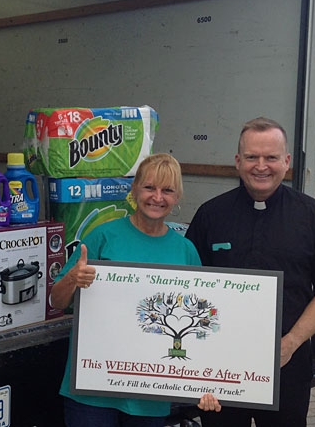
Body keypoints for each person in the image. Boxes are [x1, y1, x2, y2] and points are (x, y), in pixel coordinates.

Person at [185, 117, 315, 427]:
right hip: (220, 364)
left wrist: (290, 343)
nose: (261, 166)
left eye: (271, 157)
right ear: (238, 162)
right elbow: (187, 288)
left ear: (286, 161)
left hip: (287, 364)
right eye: (252, 157)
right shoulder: (211, 215)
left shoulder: (314, 217)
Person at [50, 153, 221, 427]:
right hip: (92, 388)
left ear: (177, 198)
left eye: (167, 190)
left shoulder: (185, 251)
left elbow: (200, 325)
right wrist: (73, 278)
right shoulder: (102, 236)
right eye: (149, 187)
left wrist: (204, 383)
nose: (157, 197)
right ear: (134, 190)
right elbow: (57, 300)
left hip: (150, 393)